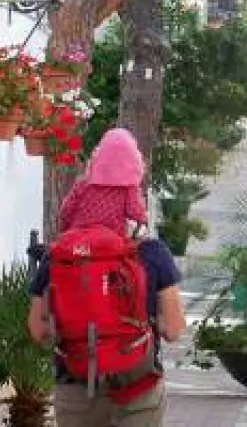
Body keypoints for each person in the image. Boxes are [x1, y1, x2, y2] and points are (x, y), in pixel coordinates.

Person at [27, 128, 185, 427]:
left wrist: (82, 332)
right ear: (131, 197)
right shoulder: (151, 252)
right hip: (138, 385)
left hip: (76, 387)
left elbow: (38, 330)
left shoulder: (59, 255)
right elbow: (174, 329)